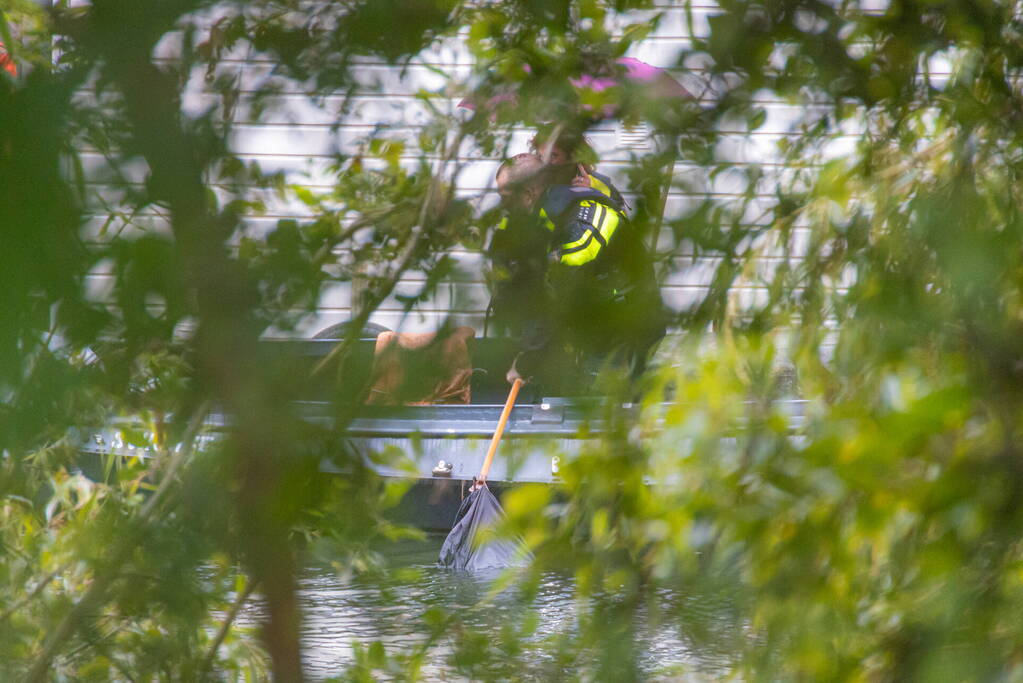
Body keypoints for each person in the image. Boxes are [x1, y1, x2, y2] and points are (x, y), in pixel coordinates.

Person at [488, 152, 666, 390]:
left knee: (597, 400)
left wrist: (528, 361)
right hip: (589, 321)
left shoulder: (584, 224)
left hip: (625, 327)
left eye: (505, 197)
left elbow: (557, 297)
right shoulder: (541, 215)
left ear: (529, 195)